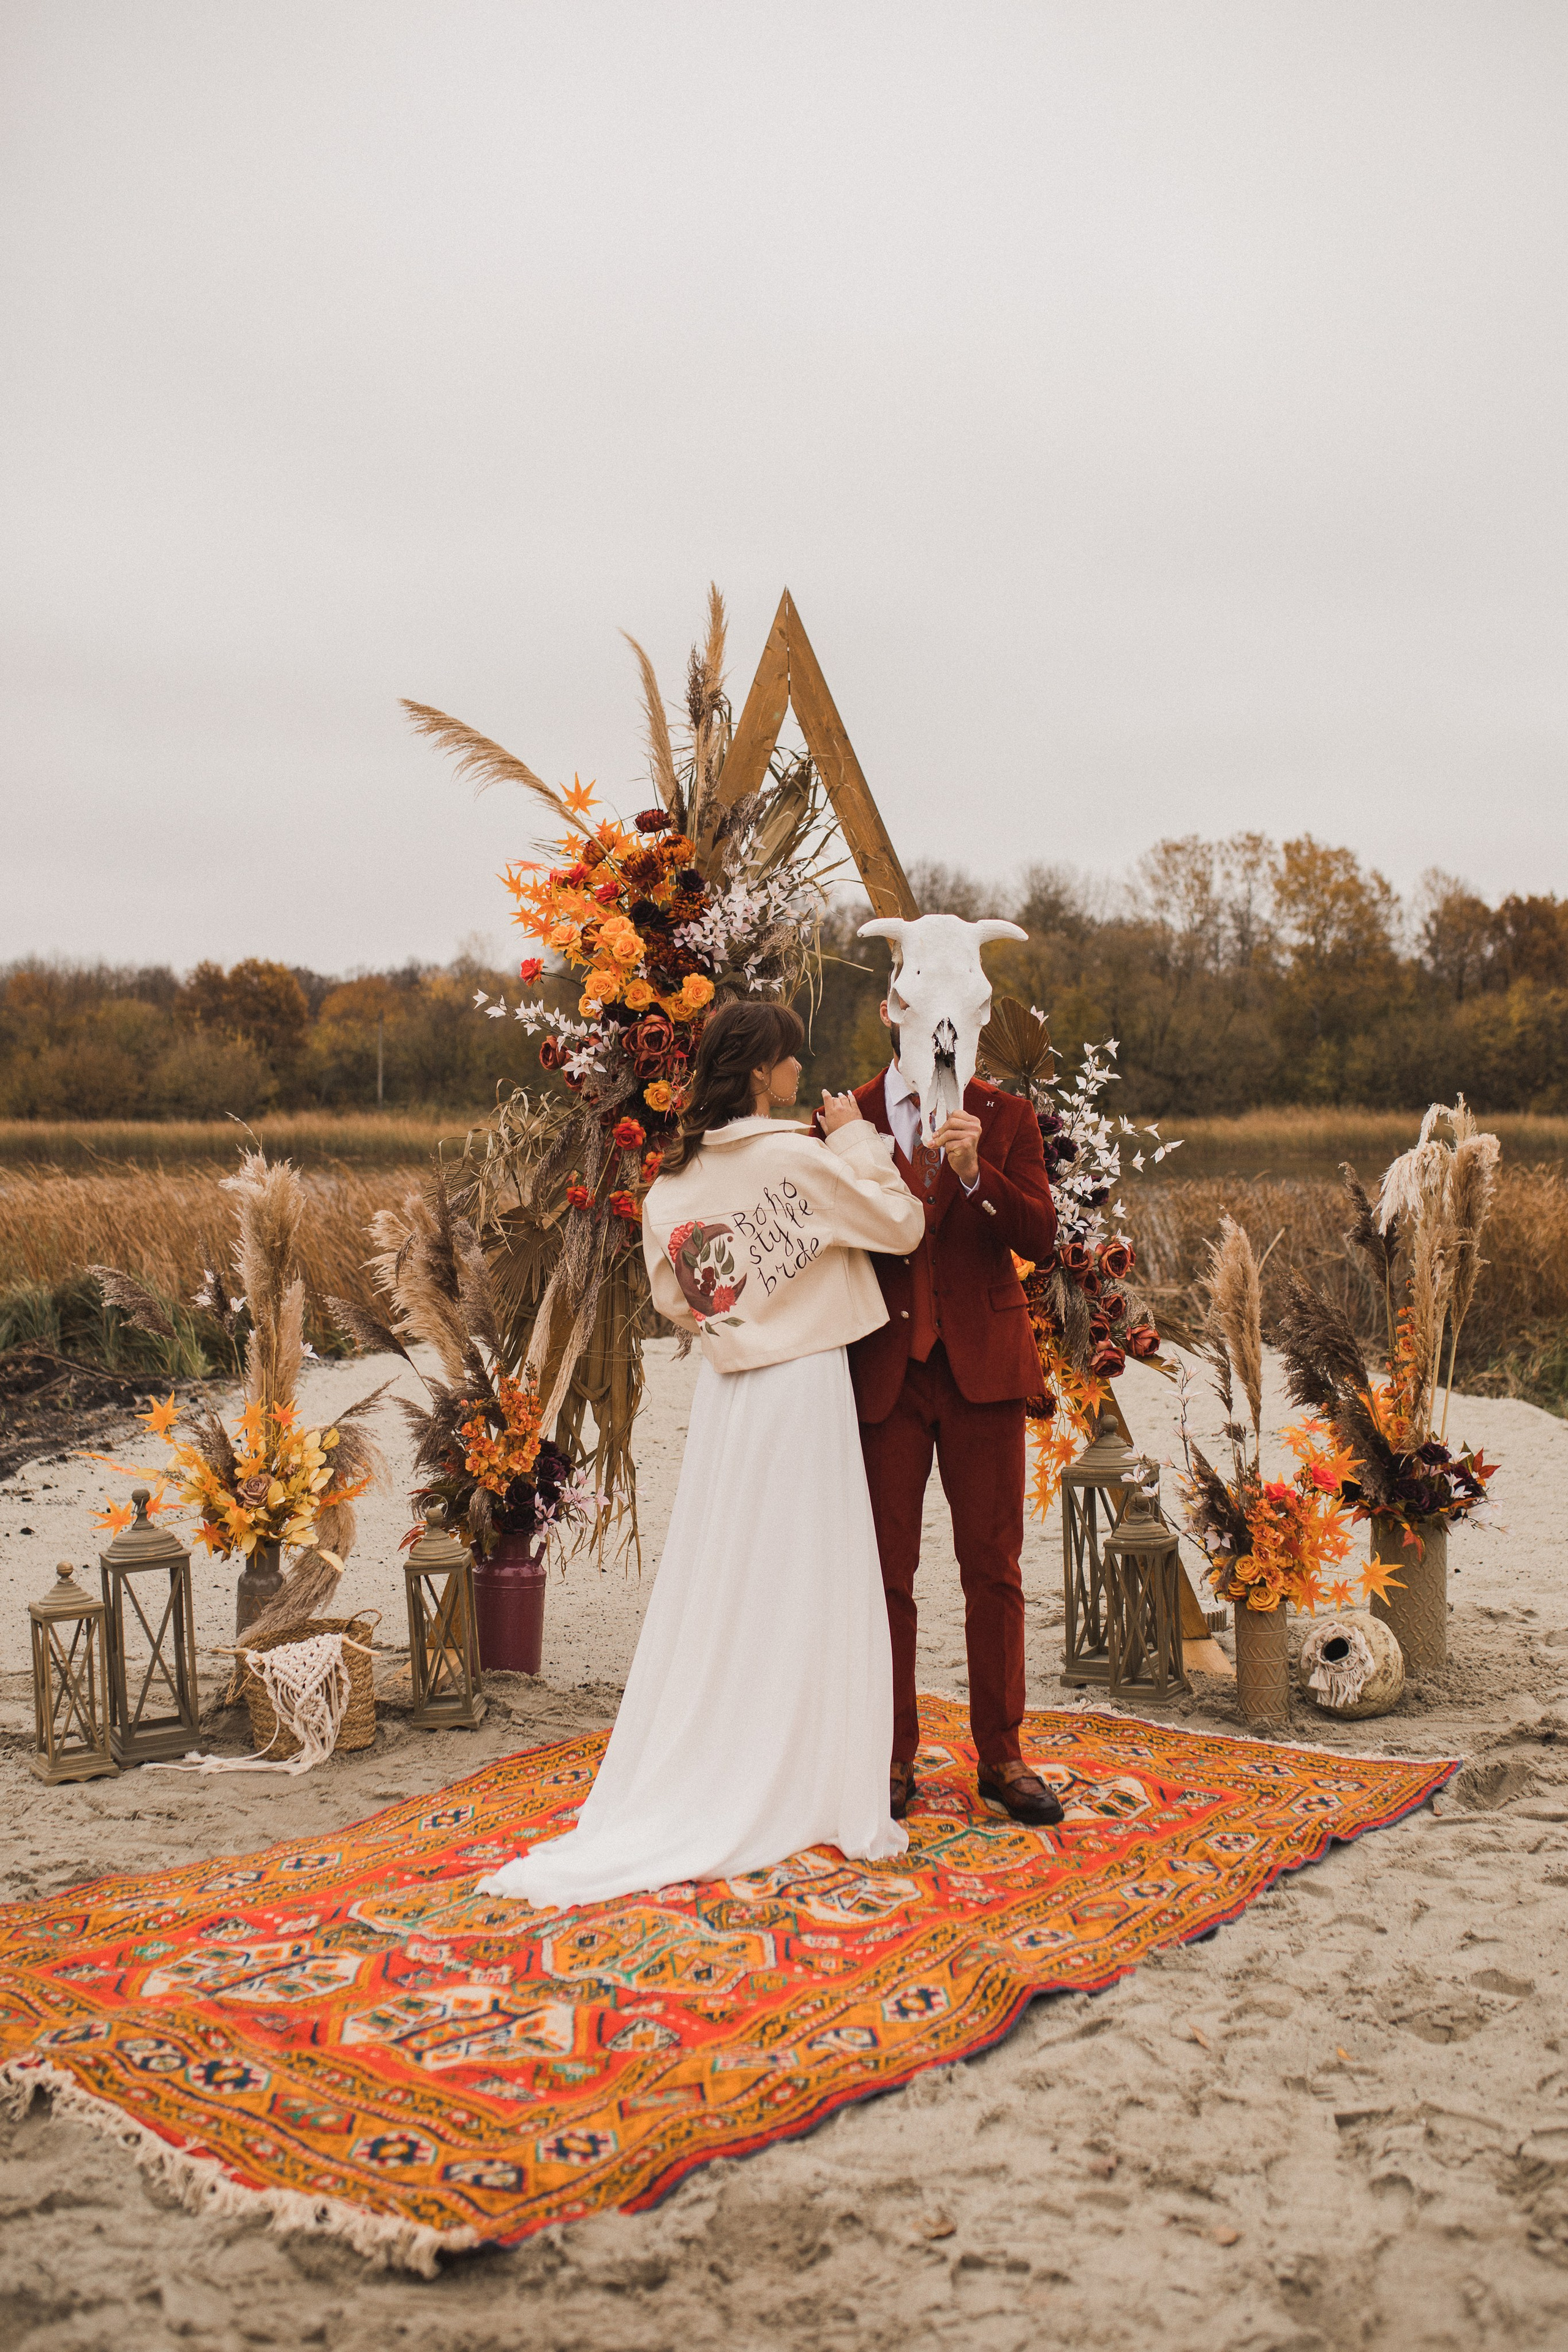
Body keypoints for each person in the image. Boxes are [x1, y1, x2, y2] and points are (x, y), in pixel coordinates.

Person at [478, 996, 926, 1910]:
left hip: (730, 1398)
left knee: (735, 1576)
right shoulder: (804, 1158)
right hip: (803, 1387)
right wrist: (852, 1139)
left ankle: (739, 1748)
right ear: (762, 1073)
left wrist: (743, 1309)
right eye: (792, 1061)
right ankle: (804, 1770)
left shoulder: (672, 1188)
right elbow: (901, 1225)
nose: (804, 1074)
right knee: (812, 1574)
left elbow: (678, 1303)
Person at [837, 993, 1063, 1829]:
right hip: (884, 1371)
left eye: (957, 1022)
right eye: (928, 1017)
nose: (943, 1035)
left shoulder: (1007, 1115)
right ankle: (892, 1754)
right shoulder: (848, 1115)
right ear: (892, 1015)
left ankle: (1002, 1756)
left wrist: (978, 1175)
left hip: (986, 1371)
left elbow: (1041, 1238)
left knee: (993, 1570)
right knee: (884, 1578)